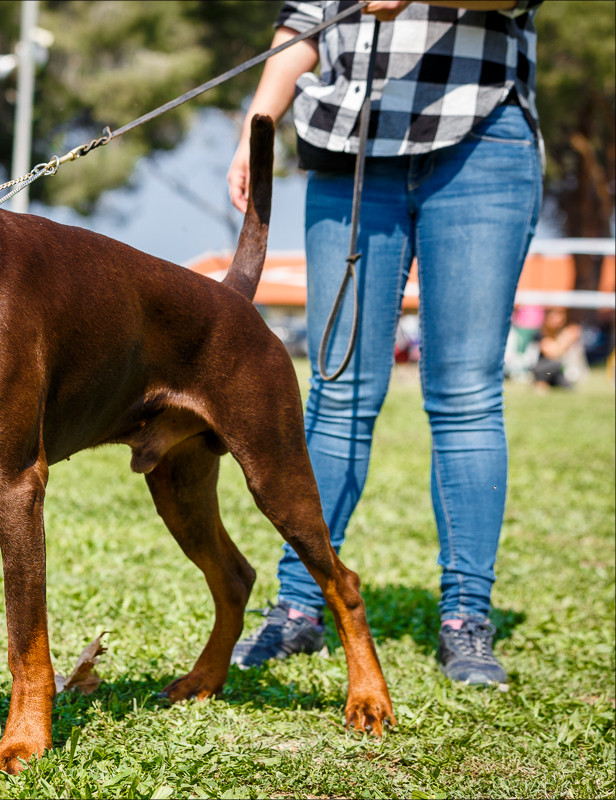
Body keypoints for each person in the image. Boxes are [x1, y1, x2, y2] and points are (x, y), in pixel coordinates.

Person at [226, 0, 543, 686]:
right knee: (336, 391)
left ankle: (466, 616)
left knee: (465, 394)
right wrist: (259, 123)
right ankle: (301, 605)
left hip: (480, 139)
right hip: (350, 150)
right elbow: (302, 23)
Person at [532, 306, 584, 391]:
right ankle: (541, 382)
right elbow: (552, 353)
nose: (560, 318)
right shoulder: (540, 334)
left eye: (561, 314)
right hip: (542, 369)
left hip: (559, 370)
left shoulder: (566, 332)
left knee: (567, 385)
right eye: (556, 315)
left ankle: (543, 384)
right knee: (554, 364)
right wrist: (565, 340)